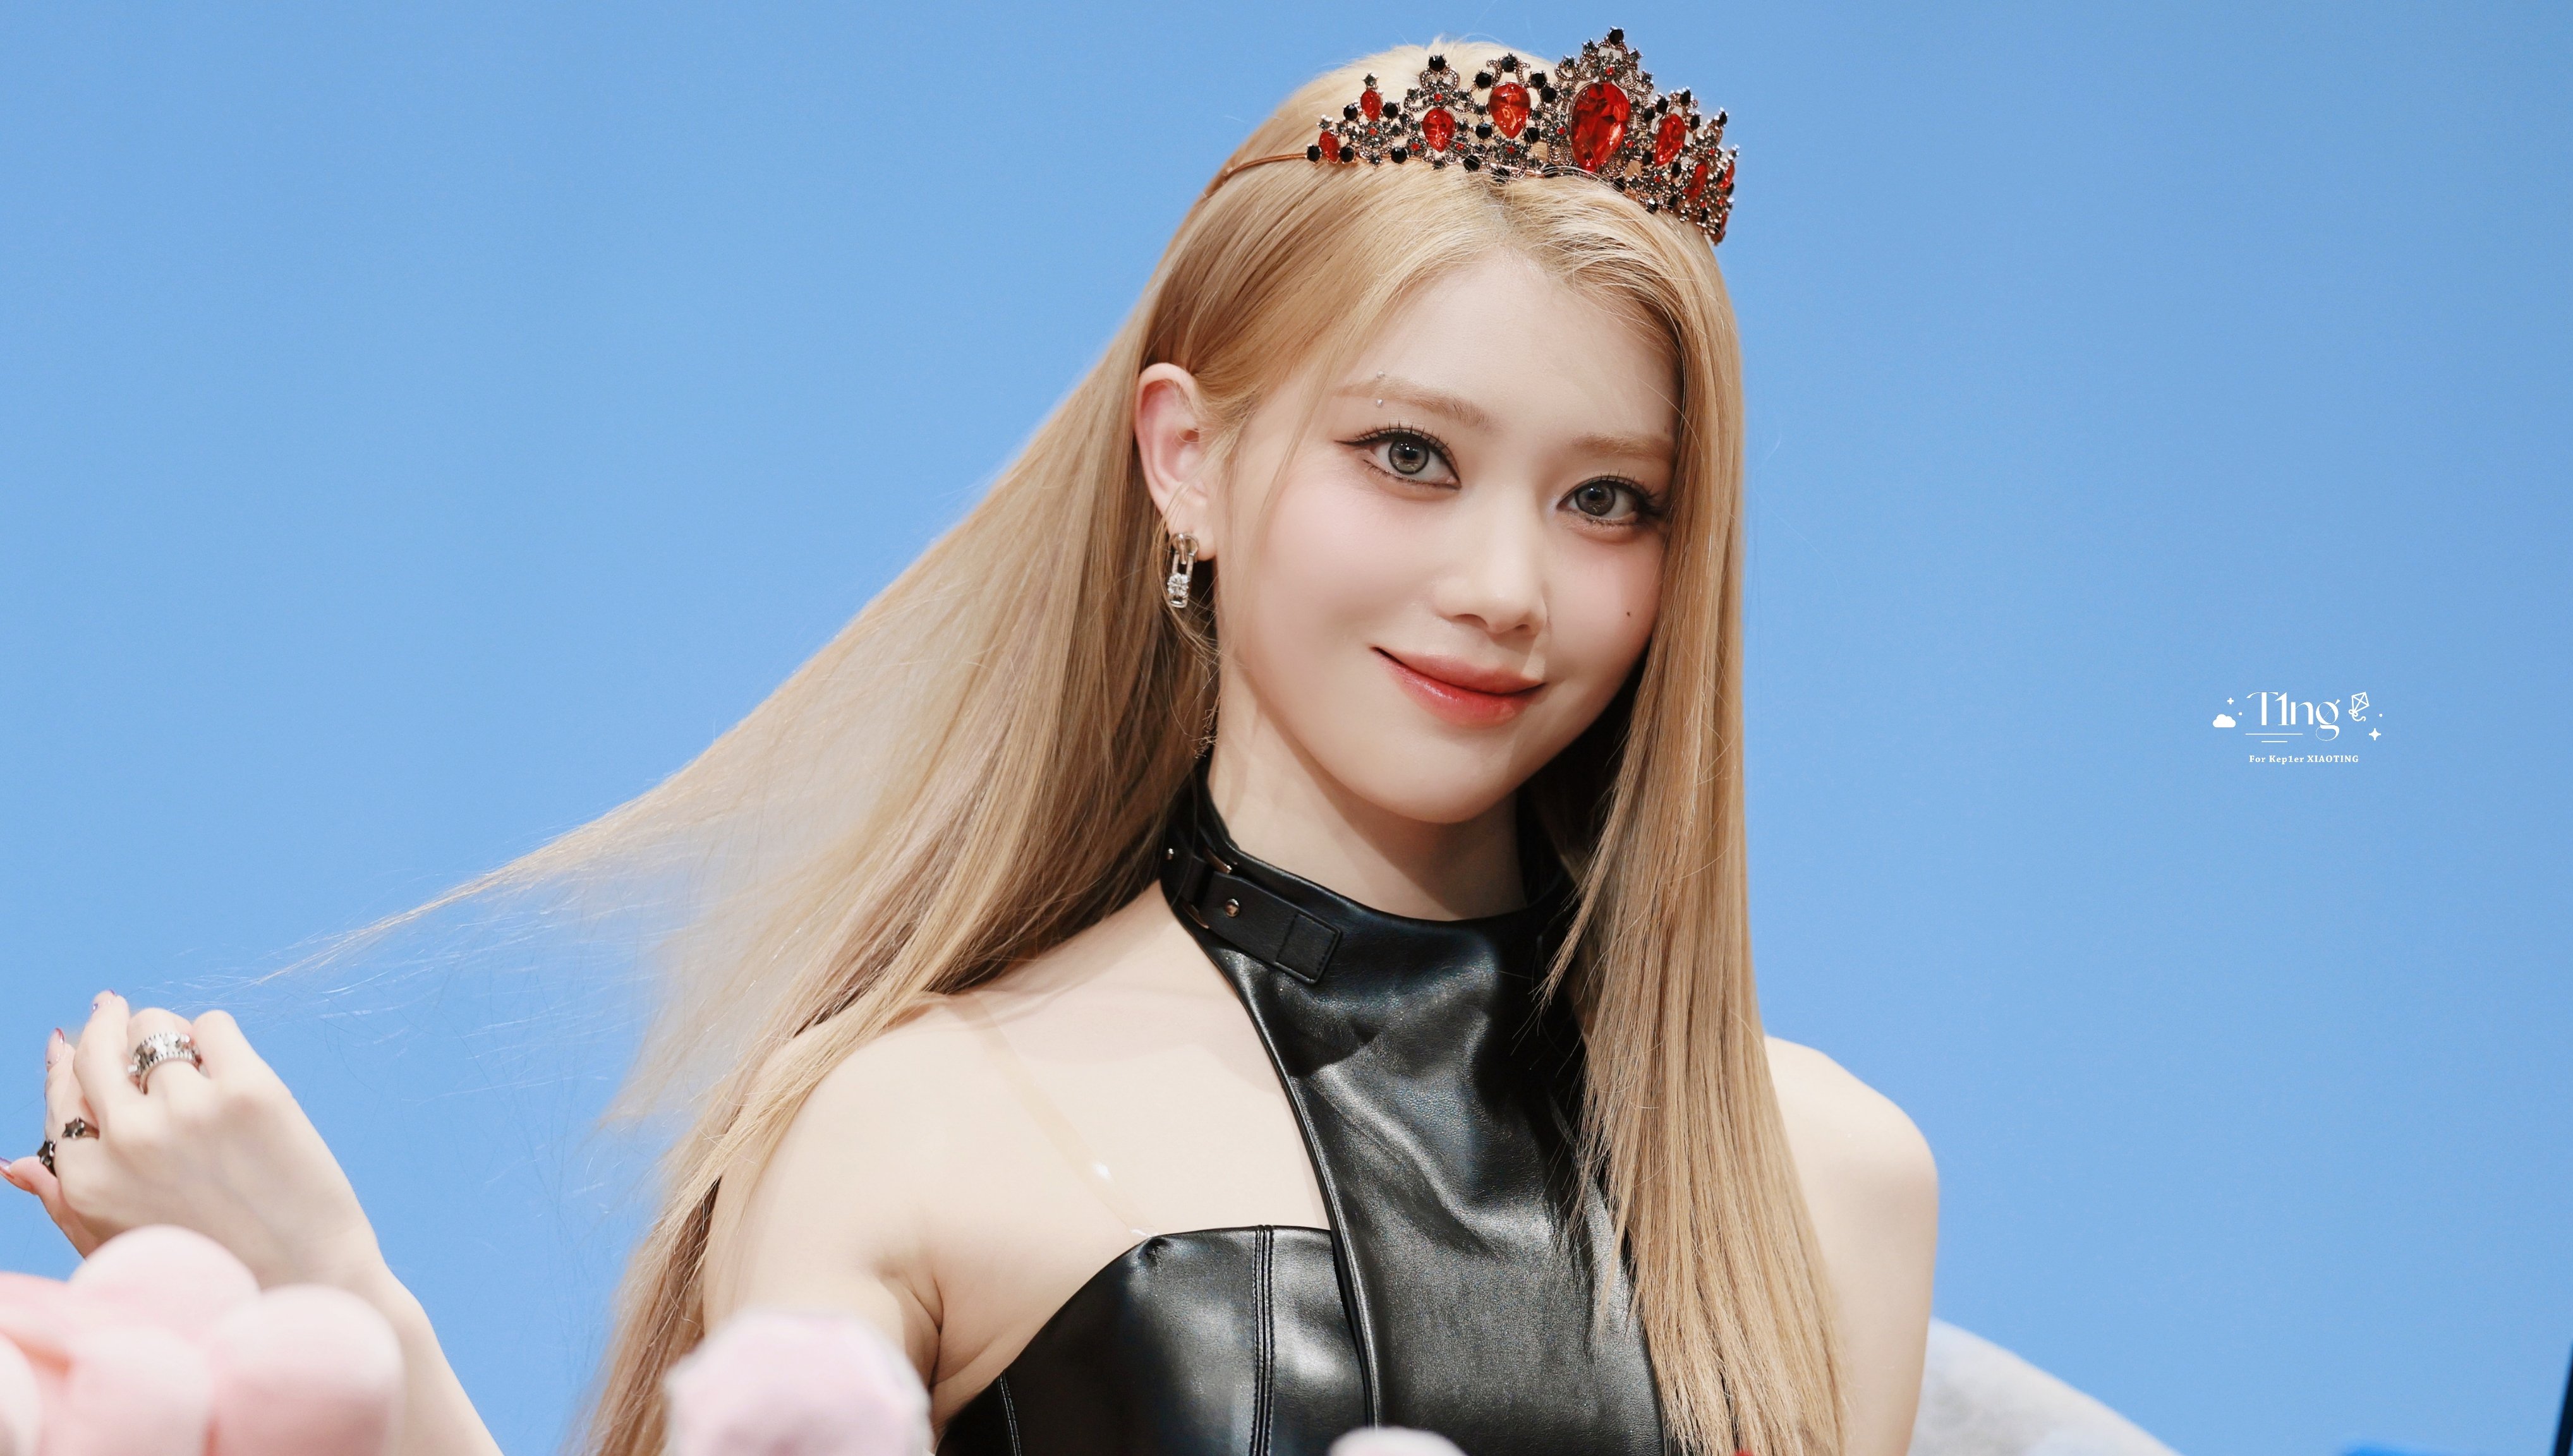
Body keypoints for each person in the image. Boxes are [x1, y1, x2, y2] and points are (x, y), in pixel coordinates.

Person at [4, 33, 1937, 1456]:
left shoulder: (1828, 1180)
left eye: (1608, 500)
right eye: (1409, 455)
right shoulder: (910, 1123)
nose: (1508, 585)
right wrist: (348, 1311)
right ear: (1188, 458)